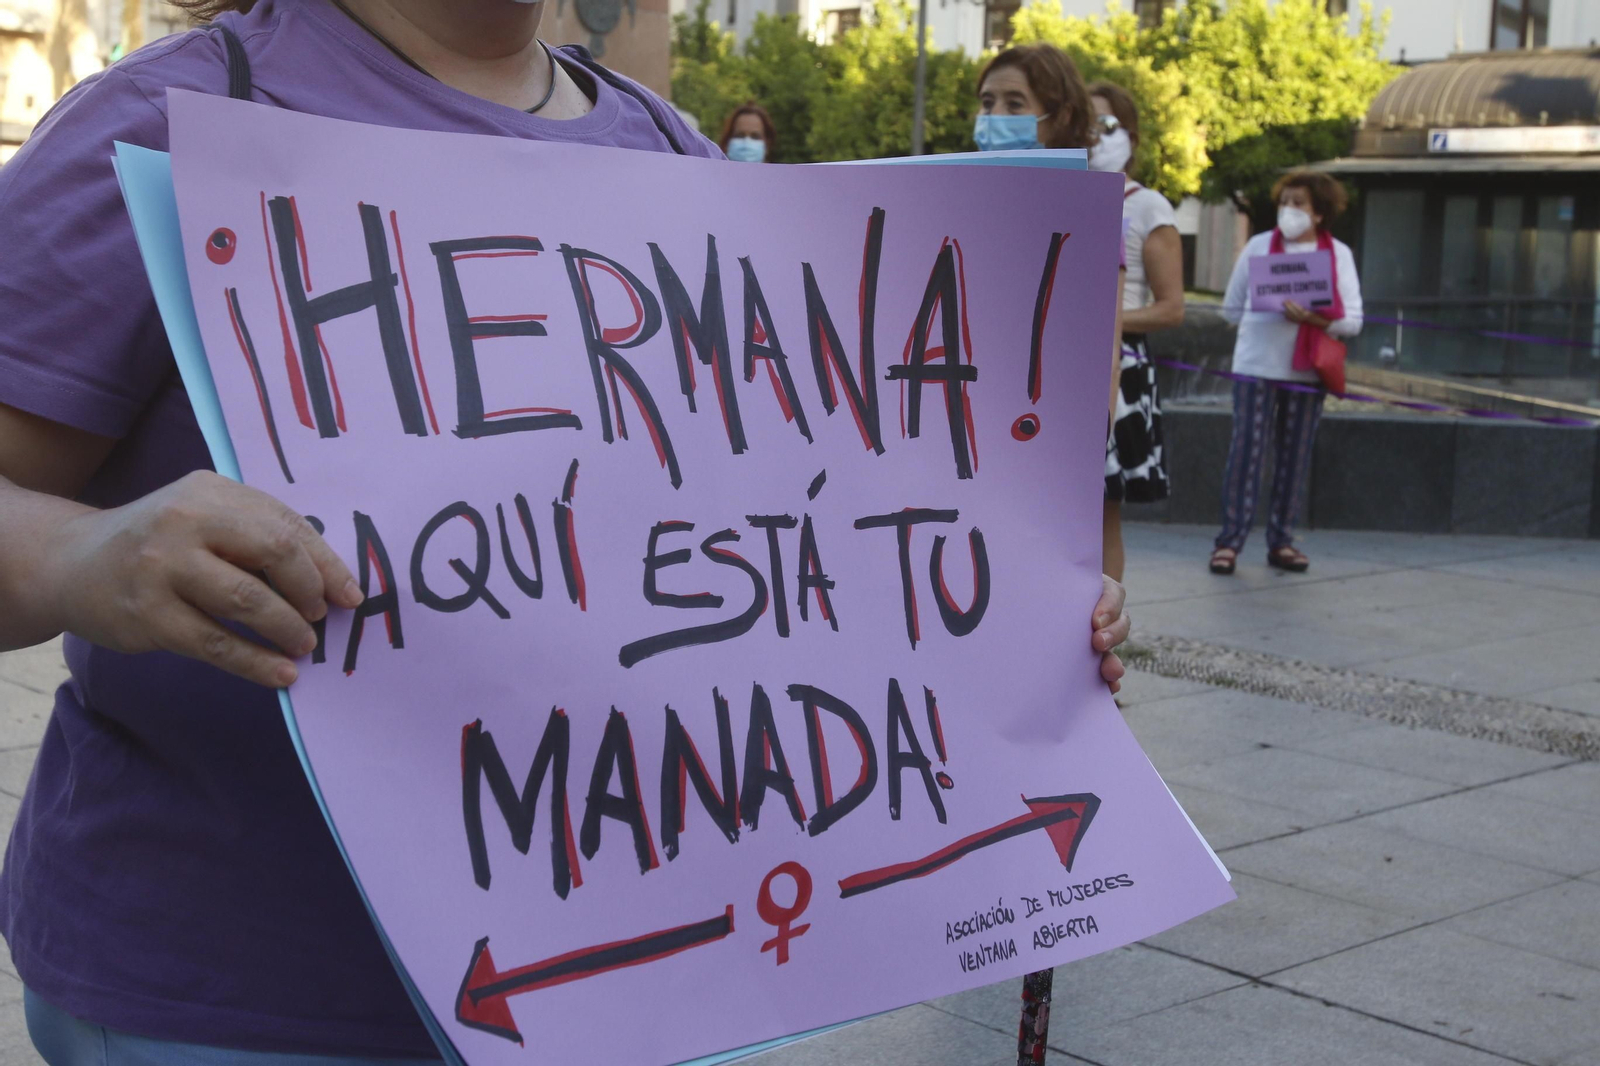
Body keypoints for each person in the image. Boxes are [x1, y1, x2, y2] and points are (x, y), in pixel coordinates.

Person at [0, 2, 1134, 1062]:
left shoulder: (666, 147)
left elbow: (788, 537)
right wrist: (82, 558)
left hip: (607, 986)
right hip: (231, 998)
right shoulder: (165, 117)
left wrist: (1005, 609)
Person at [973, 45, 1128, 584]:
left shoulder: (1090, 210)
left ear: (1059, 115)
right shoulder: (951, 198)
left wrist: (1087, 438)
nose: (995, 116)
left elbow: (1105, 346)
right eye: (987, 102)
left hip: (1048, 429)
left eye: (1015, 104)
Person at [1211, 170, 1363, 575]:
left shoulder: (1337, 255)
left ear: (1319, 213)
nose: (1288, 210)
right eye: (1284, 202)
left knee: (1294, 458)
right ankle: (1229, 541)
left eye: (1299, 203)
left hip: (1307, 371)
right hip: (1256, 366)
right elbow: (1230, 308)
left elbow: (1354, 320)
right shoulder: (1259, 246)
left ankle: (1281, 540)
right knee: (1246, 453)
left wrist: (1312, 318)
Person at [1088, 80, 1183, 584]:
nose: (1094, 136)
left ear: (1132, 135)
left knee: (1103, 505)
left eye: (1107, 125)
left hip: (1120, 368)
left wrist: (1107, 321)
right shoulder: (1060, 192)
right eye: (1085, 124)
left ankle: (1101, 618)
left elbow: (1171, 308)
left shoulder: (1149, 207)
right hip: (1061, 360)